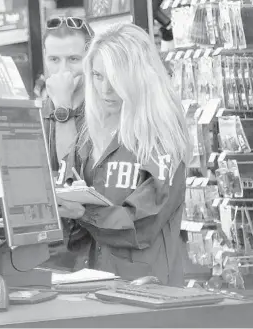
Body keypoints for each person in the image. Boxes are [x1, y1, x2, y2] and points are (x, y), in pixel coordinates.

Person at [56, 23, 191, 286]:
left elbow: (143, 224)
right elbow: (71, 233)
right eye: (98, 76)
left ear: (140, 76)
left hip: (146, 294)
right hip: (89, 284)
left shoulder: (161, 138)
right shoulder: (88, 135)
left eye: (116, 78)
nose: (105, 89)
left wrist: (84, 213)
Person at [42, 16, 93, 177]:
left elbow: (72, 177)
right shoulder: (37, 113)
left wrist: (63, 105)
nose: (63, 70)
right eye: (54, 59)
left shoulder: (107, 109)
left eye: (73, 59)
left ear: (91, 57)